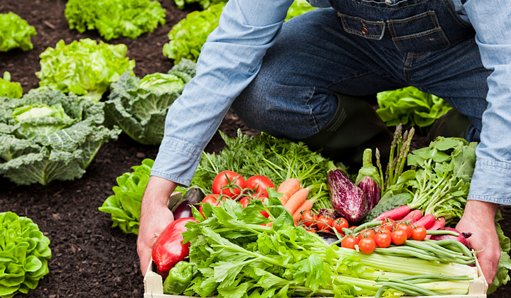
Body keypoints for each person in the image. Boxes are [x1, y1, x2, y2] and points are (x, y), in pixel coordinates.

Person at [137, 0, 509, 286]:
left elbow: (507, 71)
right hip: (360, 41)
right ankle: (368, 145)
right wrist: (159, 192)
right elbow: (231, 50)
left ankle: (458, 138)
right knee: (265, 89)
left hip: (463, 48)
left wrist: (482, 207)